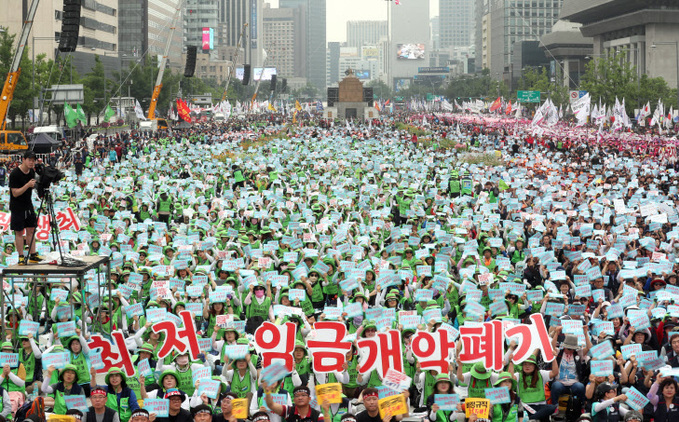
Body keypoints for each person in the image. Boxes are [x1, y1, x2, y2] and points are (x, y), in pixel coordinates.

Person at [9, 150, 42, 264]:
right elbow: (15, 193)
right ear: (23, 160)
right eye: (29, 160)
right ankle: (21, 256)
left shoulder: (32, 172)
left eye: (33, 160)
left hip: (28, 204)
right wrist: (27, 185)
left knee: (31, 229)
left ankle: (33, 254)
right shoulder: (15, 174)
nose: (32, 162)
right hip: (17, 206)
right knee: (19, 232)